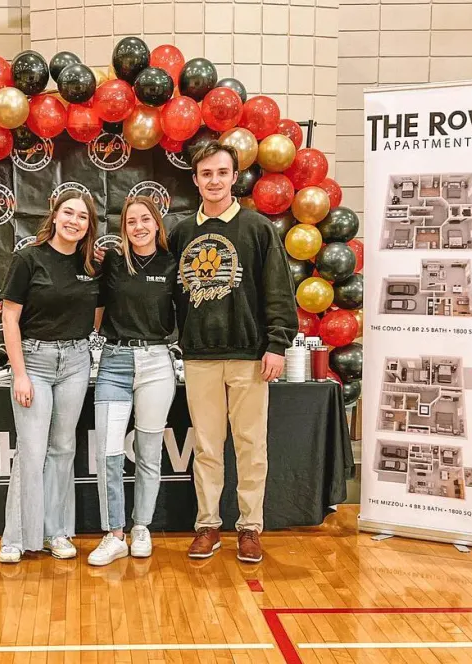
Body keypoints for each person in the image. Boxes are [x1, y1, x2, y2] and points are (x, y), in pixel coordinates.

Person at [167, 142, 297, 564]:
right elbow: (171, 295)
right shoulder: (183, 232)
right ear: (195, 180)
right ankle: (208, 524)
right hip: (199, 355)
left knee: (250, 445)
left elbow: (278, 291)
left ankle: (249, 527)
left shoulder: (258, 228)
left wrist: (276, 344)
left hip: (248, 355)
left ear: (234, 177)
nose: (215, 180)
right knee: (206, 447)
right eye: (206, 173)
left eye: (222, 172)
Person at [0, 190, 100, 564]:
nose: (74, 221)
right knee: (31, 451)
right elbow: (9, 317)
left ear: (89, 226)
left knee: (62, 450)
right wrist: (20, 374)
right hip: (35, 363)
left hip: (75, 362)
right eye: (68, 213)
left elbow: (98, 313)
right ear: (54, 217)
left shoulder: (92, 265)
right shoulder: (28, 258)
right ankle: (16, 537)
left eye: (83, 217)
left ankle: (58, 532)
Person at [87, 197, 178, 567]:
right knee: (108, 454)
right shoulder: (111, 262)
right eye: (130, 222)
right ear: (123, 229)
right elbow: (95, 308)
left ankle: (142, 526)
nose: (138, 226)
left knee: (148, 454)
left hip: (157, 364)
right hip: (114, 362)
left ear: (157, 224)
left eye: (145, 219)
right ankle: (114, 534)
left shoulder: (172, 265)